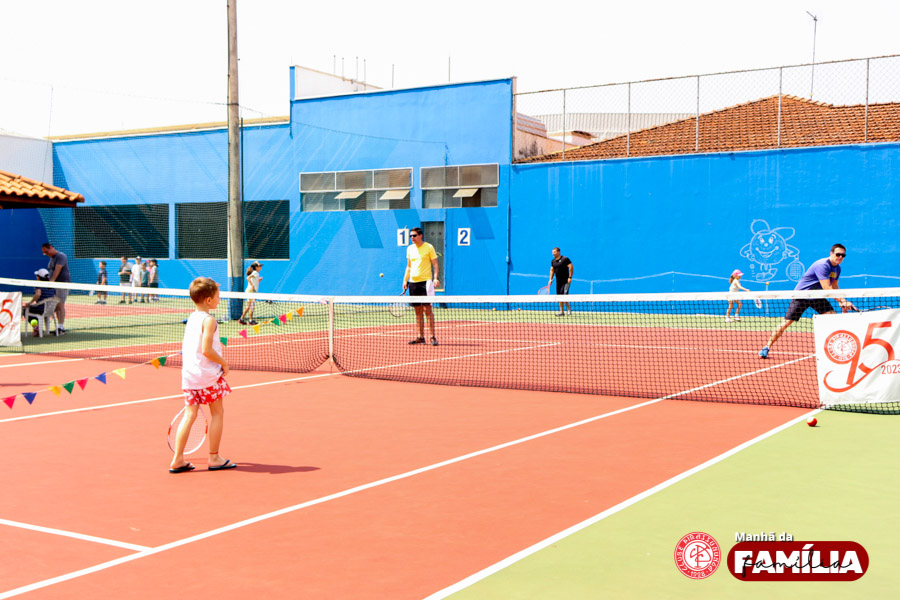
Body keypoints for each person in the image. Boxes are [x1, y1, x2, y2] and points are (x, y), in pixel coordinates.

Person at [169, 277, 237, 473]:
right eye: (217, 296)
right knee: (217, 413)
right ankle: (214, 457)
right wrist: (223, 363)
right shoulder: (209, 320)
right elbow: (207, 350)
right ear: (208, 300)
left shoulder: (192, 318)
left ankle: (178, 459)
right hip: (208, 377)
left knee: (190, 415)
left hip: (189, 376)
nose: (219, 299)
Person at [759, 244, 857, 359]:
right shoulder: (823, 265)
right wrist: (842, 301)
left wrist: (842, 301)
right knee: (786, 323)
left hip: (817, 296)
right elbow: (826, 288)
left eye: (843, 255)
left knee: (833, 318)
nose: (840, 257)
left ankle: (835, 349)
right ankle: (766, 347)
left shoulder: (837, 268)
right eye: (838, 254)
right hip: (802, 295)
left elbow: (834, 286)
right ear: (831, 253)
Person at [402, 227, 440, 345]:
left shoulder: (429, 247)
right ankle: (420, 337)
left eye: (414, 235)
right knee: (417, 311)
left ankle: (432, 337)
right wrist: (405, 280)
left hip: (426, 283)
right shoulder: (409, 249)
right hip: (413, 283)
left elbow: (435, 264)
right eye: (411, 236)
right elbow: (409, 266)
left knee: (427, 310)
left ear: (420, 236)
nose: (412, 238)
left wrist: (435, 278)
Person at [41, 243, 69, 334]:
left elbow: (58, 268)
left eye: (46, 251)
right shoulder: (52, 258)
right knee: (56, 305)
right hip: (54, 286)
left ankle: (61, 327)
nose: (46, 254)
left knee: (60, 305)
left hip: (62, 284)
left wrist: (52, 281)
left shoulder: (61, 256)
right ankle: (58, 327)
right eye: (44, 253)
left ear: (51, 248)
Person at [22, 268, 56, 336]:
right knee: (32, 309)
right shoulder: (51, 285)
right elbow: (54, 296)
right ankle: (38, 327)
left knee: (25, 310)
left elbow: (38, 294)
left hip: (41, 309)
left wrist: (30, 303)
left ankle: (36, 327)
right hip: (50, 309)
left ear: (38, 277)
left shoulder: (39, 284)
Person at [548, 247, 573, 316]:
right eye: (552, 252)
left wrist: (570, 277)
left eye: (554, 252)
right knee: (559, 296)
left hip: (566, 281)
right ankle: (562, 311)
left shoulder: (565, 259)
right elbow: (552, 270)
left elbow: (571, 267)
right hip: (558, 281)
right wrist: (550, 279)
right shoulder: (553, 261)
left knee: (564, 294)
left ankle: (567, 309)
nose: (553, 253)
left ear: (559, 252)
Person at [239, 261, 263, 325]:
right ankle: (249, 320)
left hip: (252, 292)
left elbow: (254, 281)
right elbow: (248, 278)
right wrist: (252, 285)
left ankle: (244, 319)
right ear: (256, 267)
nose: (261, 267)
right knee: (251, 306)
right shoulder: (255, 273)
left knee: (250, 306)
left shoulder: (256, 273)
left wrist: (259, 280)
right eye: (259, 266)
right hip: (250, 291)